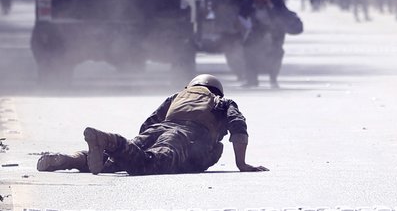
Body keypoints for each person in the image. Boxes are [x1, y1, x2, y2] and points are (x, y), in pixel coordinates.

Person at [36, 74, 267, 175]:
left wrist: (138, 145)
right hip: (185, 136)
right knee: (147, 165)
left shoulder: (178, 95)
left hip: (159, 130)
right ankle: (108, 140)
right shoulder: (222, 101)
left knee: (117, 161)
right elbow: (239, 127)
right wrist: (242, 164)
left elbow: (149, 123)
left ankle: (70, 159)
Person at [238, 0, 303, 88]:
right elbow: (241, 16)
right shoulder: (248, 2)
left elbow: (282, 15)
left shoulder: (276, 1)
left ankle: (273, 79)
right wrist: (248, 27)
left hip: (276, 30)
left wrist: (270, 6)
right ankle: (252, 79)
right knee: (248, 49)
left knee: (277, 52)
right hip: (257, 30)